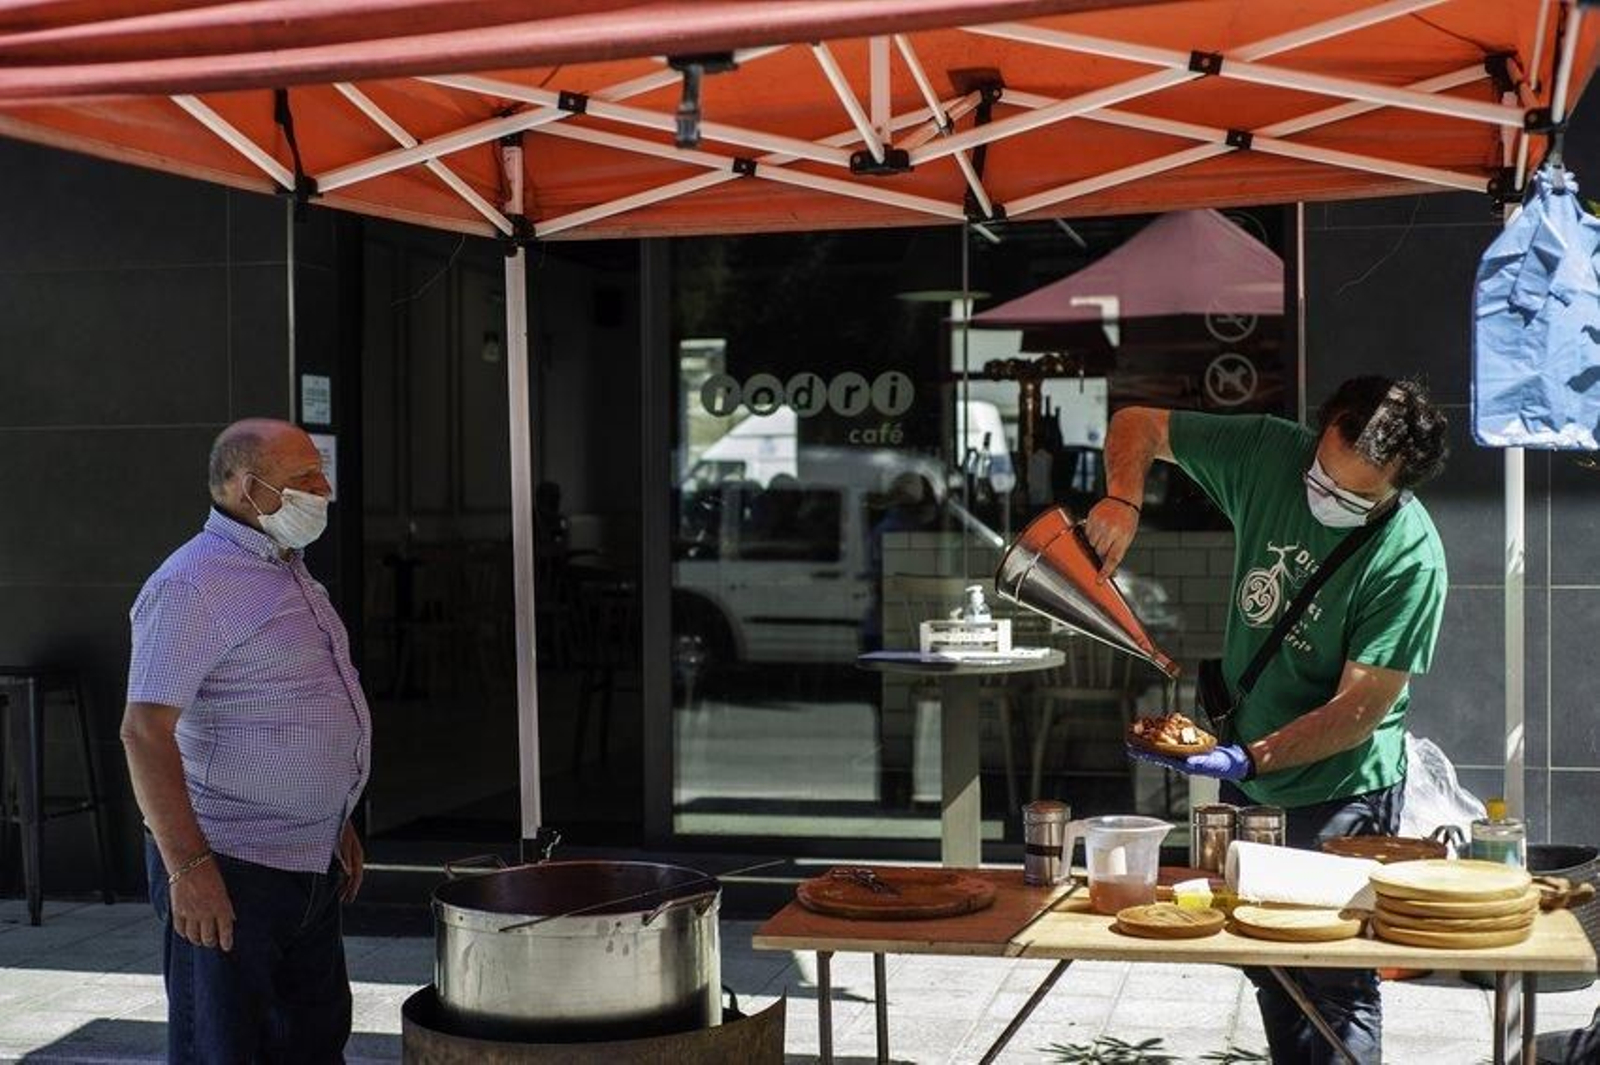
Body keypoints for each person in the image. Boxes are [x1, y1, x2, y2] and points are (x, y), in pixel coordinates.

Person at [1087, 377, 1449, 1065]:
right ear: (1319, 433)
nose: (1326, 500)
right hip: (1251, 777)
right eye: (1323, 476)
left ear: (1398, 490)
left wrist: (1248, 758)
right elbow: (1139, 423)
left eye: (1353, 498)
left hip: (1342, 788)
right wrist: (1121, 498)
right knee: (1263, 957)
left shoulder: (1410, 557)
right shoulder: (1267, 452)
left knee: (1333, 976)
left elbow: (1358, 709)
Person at [121, 418, 370, 1064]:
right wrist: (189, 868)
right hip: (230, 869)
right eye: (302, 479)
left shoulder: (286, 567)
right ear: (240, 485)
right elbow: (144, 732)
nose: (321, 489)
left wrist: (331, 813)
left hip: (307, 866)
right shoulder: (192, 583)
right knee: (225, 1050)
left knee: (310, 1045)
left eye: (319, 473)